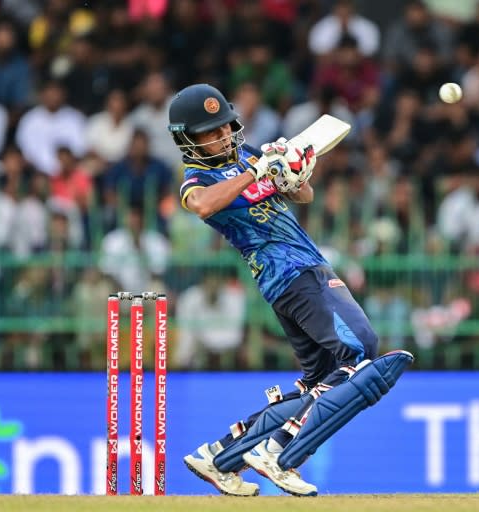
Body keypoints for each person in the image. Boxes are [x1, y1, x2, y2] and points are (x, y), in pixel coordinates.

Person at [170, 83, 412, 497]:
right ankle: (280, 452)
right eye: (208, 133)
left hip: (301, 270)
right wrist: (257, 171)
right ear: (188, 140)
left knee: (323, 377)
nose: (220, 136)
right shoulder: (198, 178)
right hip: (293, 273)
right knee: (360, 352)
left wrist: (292, 170)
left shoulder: (250, 155)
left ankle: (220, 456)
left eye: (223, 126)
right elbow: (205, 206)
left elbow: (303, 194)